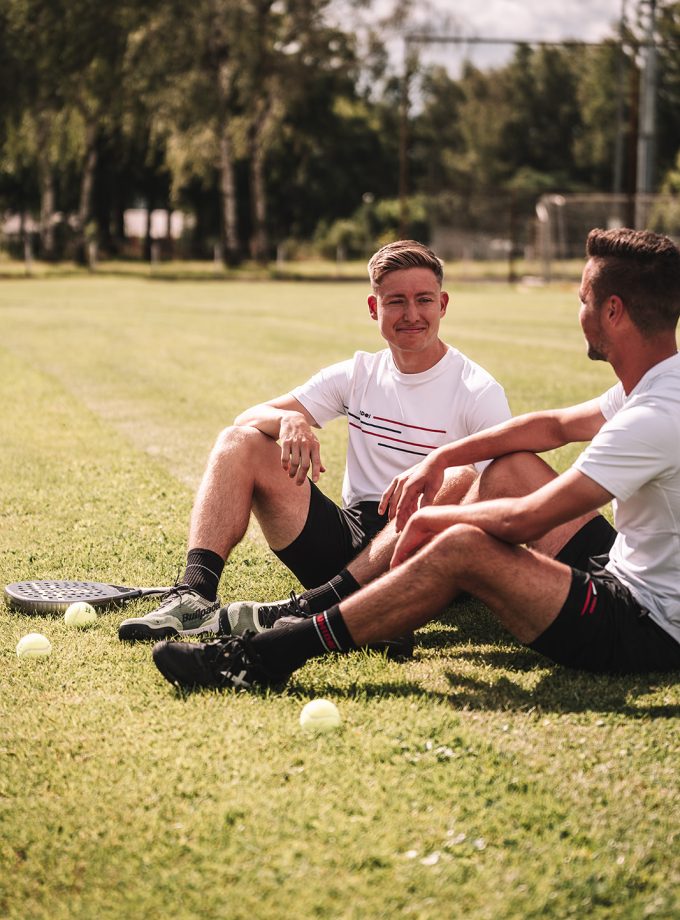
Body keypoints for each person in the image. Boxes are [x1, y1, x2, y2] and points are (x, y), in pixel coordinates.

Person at [151, 227, 680, 689]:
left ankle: (273, 651)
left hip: (646, 620)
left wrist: (432, 519)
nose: (578, 310)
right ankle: (204, 598)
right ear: (375, 307)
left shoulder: (653, 415)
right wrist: (439, 457)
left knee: (462, 542)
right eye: (396, 302)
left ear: (613, 311)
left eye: (583, 299)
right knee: (506, 472)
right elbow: (555, 426)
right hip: (619, 576)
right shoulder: (650, 389)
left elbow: (527, 519)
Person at [119, 239, 511, 650]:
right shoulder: (358, 373)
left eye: (424, 300)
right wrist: (287, 419)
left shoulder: (477, 390)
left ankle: (326, 604)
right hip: (352, 537)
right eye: (396, 301)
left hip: (425, 552)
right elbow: (245, 420)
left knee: (461, 474)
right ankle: (194, 597)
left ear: (442, 304)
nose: (411, 314)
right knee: (239, 441)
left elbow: (502, 489)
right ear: (374, 308)